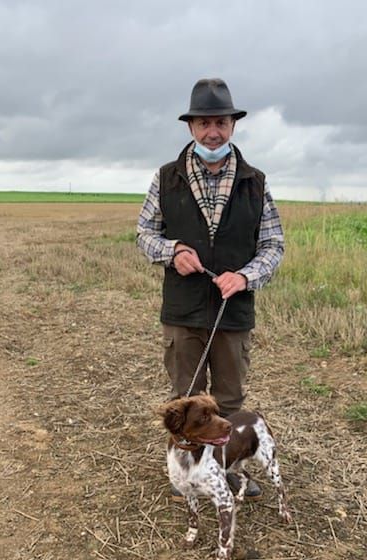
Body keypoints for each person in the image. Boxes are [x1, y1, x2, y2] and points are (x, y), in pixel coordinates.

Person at [137, 78, 285, 499]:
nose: (212, 132)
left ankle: (228, 470)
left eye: (220, 122)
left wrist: (245, 277)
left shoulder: (255, 182)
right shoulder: (167, 178)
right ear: (191, 128)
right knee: (185, 399)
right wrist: (171, 251)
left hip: (233, 315)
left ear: (232, 125)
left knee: (230, 402)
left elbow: (273, 246)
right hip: (182, 312)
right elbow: (144, 232)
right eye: (203, 123)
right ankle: (185, 472)